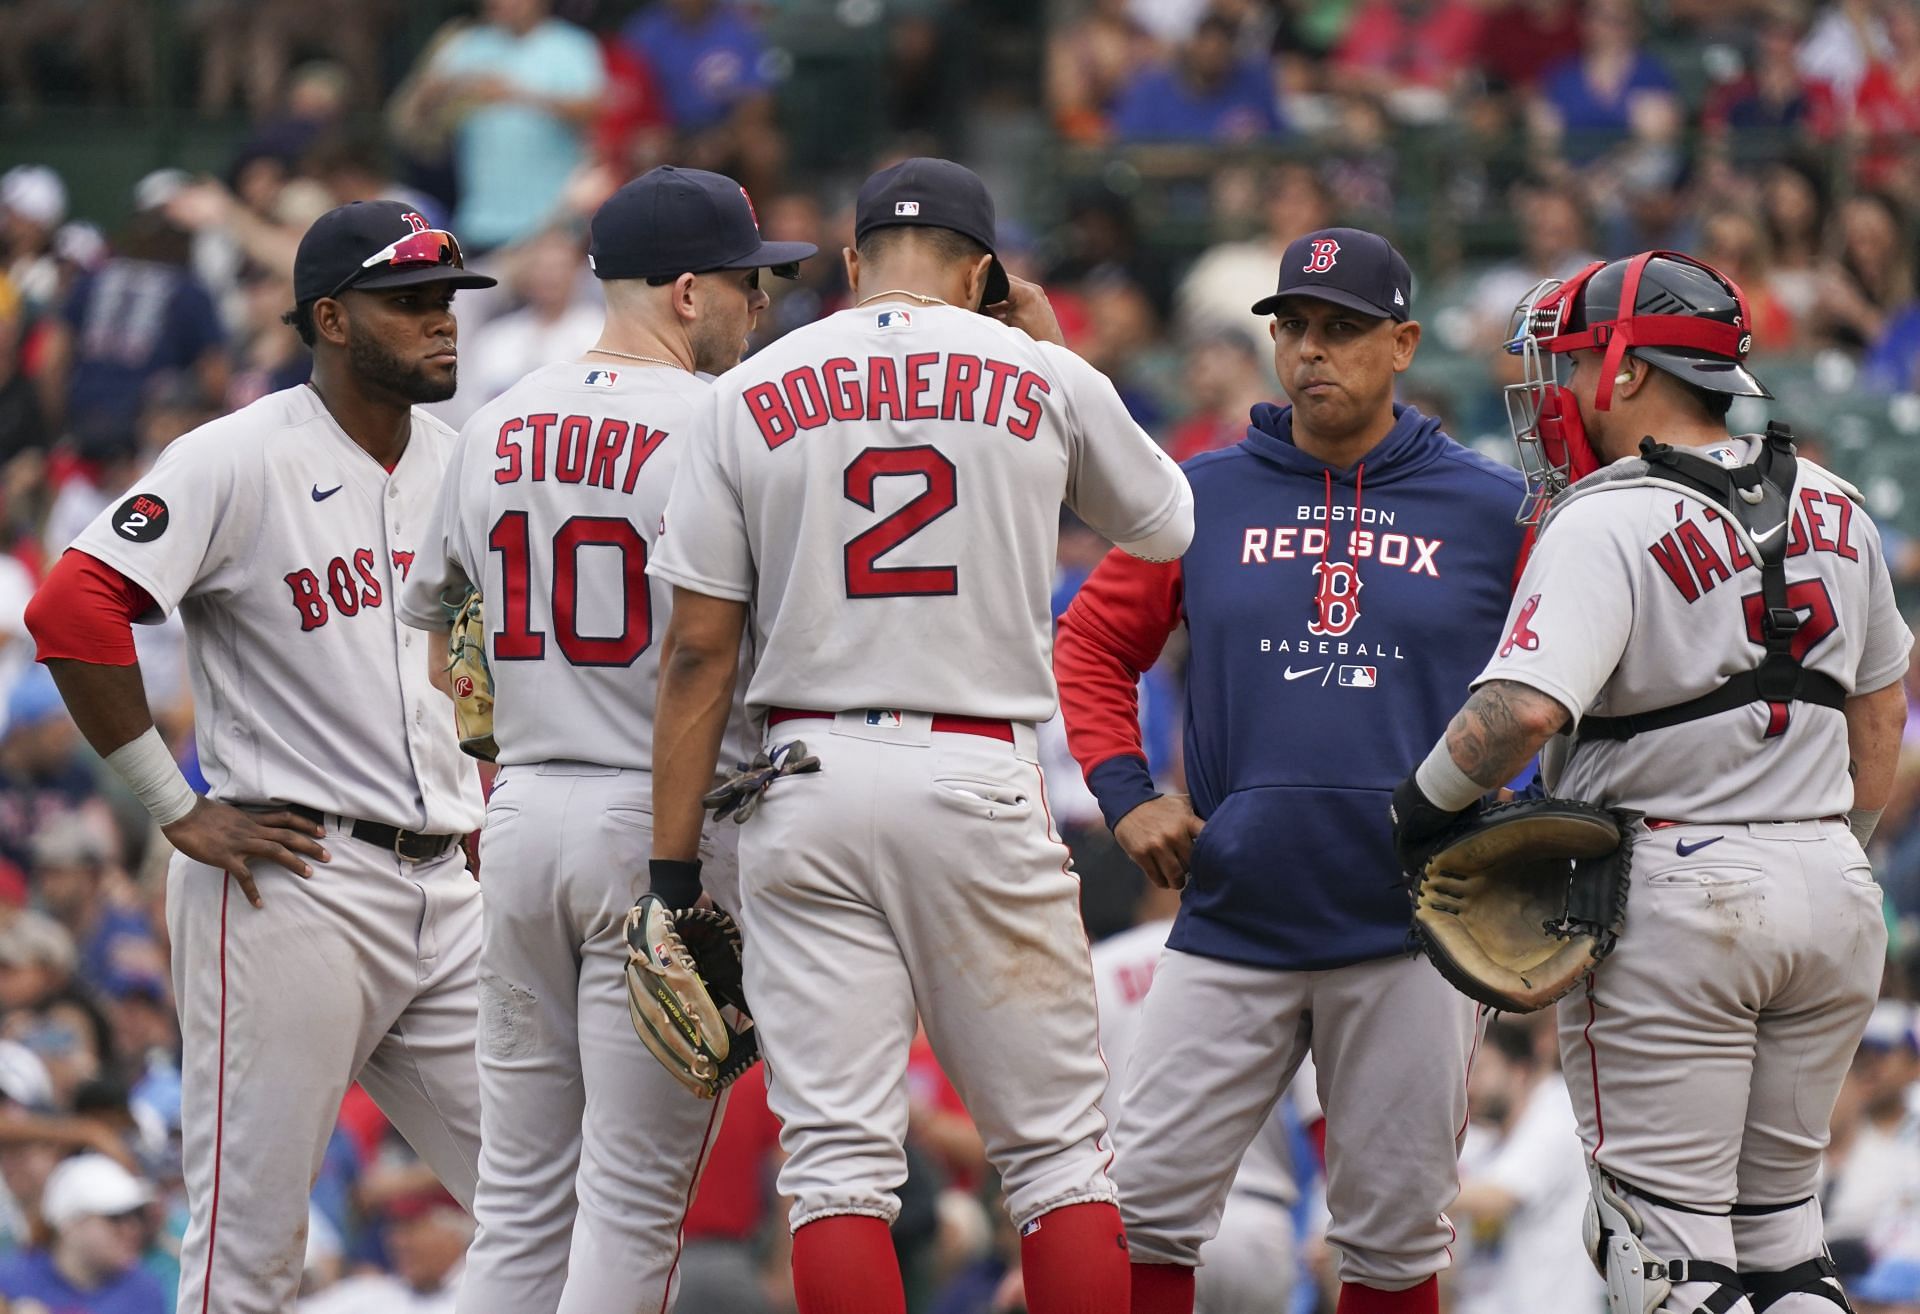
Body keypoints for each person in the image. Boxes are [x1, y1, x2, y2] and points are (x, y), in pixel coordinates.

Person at [644, 155, 1193, 1314]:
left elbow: (696, 648)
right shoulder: (1034, 368)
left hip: (806, 776)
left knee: (836, 1172)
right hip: (975, 768)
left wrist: (674, 860)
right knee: (1055, 1159)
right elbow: (1166, 520)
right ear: (986, 270)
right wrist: (1049, 348)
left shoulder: (750, 387)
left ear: (850, 262)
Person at [1391, 250, 1912, 1314]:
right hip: (1832, 889)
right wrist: (1825, 849)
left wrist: (1420, 809)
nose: (1565, 386)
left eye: (1577, 359)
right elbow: (1882, 717)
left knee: (1663, 1257)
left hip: (1680, 892)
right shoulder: (1843, 506)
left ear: (1628, 371)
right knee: (1783, 1243)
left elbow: (1520, 712)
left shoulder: (1608, 514)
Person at [21, 199, 500, 1314]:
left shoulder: (463, 463)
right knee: (250, 1262)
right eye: (411, 303)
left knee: (561, 1202)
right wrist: (170, 803)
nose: (442, 323)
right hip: (291, 880)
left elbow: (476, 671)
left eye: (449, 301)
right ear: (331, 319)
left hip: (447, 884)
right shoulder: (238, 456)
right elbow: (72, 606)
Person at [1053, 227, 1528, 1314]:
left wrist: (1522, 803)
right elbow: (1088, 643)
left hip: (1417, 922)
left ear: (1404, 342)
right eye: (1295, 327)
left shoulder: (1490, 510)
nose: (1312, 350)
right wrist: (1124, 794)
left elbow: (1561, 672)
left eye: (1344, 329)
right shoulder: (1200, 493)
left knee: (1395, 1243)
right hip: (1234, 911)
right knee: (1139, 1217)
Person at [397, 165, 814, 1313]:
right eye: (745, 281)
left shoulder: (494, 420)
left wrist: (511, 754)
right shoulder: (726, 425)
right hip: (662, 824)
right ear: (687, 291)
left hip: (523, 817)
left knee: (521, 1201)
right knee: (633, 1205)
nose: (758, 303)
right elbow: (752, 647)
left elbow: (441, 646)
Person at [0, 1150, 166, 1313]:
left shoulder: (144, 1291)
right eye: (114, 1217)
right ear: (70, 1224)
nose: (132, 1229)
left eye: (137, 1215)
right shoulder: (9, 1281)